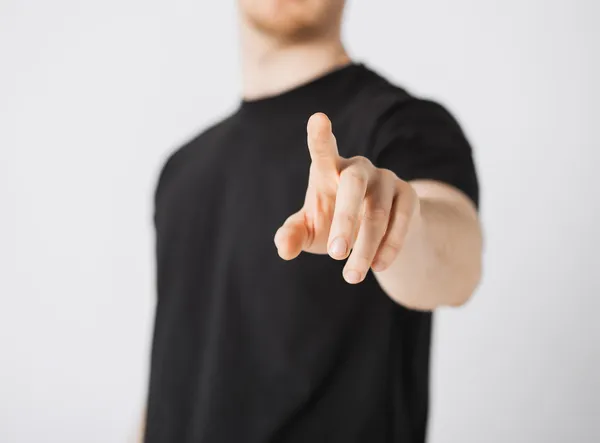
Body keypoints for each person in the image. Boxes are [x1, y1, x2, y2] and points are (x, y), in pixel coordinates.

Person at [142, 1, 482, 442]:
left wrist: (397, 223)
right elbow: (175, 367)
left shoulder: (403, 126)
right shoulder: (182, 170)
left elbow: (457, 265)